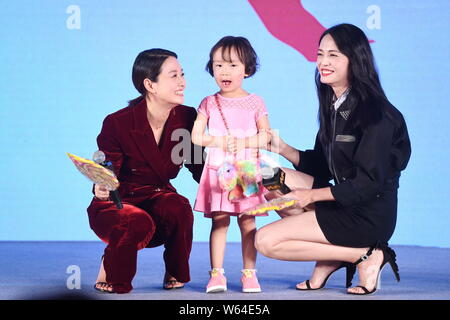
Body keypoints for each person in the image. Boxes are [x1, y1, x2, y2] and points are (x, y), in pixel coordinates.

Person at [254, 23, 411, 295]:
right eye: (320, 54)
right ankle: (331, 257)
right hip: (340, 201)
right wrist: (283, 148)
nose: (323, 62)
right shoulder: (334, 106)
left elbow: (367, 184)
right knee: (267, 175)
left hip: (367, 215)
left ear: (356, 60)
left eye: (334, 55)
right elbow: (324, 167)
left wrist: (311, 197)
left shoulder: (378, 115)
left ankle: (363, 254)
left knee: (265, 241)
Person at [87, 48, 205, 294]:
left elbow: (197, 164)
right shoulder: (117, 122)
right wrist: (101, 186)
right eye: (174, 76)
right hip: (117, 200)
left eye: (182, 74)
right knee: (134, 220)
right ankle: (111, 266)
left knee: (179, 207)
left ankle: (175, 270)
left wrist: (231, 183)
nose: (183, 82)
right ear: (150, 84)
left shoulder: (186, 117)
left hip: (157, 194)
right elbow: (109, 170)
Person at [191, 36, 271, 293]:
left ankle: (250, 274)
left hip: (245, 170)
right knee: (220, 221)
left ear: (247, 69)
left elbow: (266, 136)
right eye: (218, 65)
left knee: (248, 222)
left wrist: (245, 141)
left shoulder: (255, 102)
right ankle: (216, 274)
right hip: (218, 170)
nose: (224, 71)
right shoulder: (208, 102)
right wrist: (221, 141)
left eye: (232, 65)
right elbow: (195, 136)